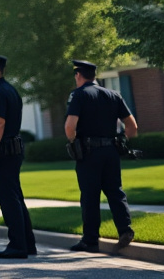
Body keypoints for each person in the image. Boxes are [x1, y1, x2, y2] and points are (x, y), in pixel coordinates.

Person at [65, 59, 137, 252]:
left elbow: (70, 127)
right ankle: (125, 229)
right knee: (115, 191)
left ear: (78, 75)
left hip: (89, 152)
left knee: (90, 196)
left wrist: (73, 143)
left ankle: (90, 240)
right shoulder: (113, 94)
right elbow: (132, 127)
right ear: (94, 76)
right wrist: (122, 140)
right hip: (111, 151)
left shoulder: (78, 95)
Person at [0, 50, 35, 259]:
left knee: (9, 199)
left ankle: (18, 246)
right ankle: (27, 243)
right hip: (14, 150)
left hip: (3, 152)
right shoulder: (10, 89)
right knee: (16, 197)